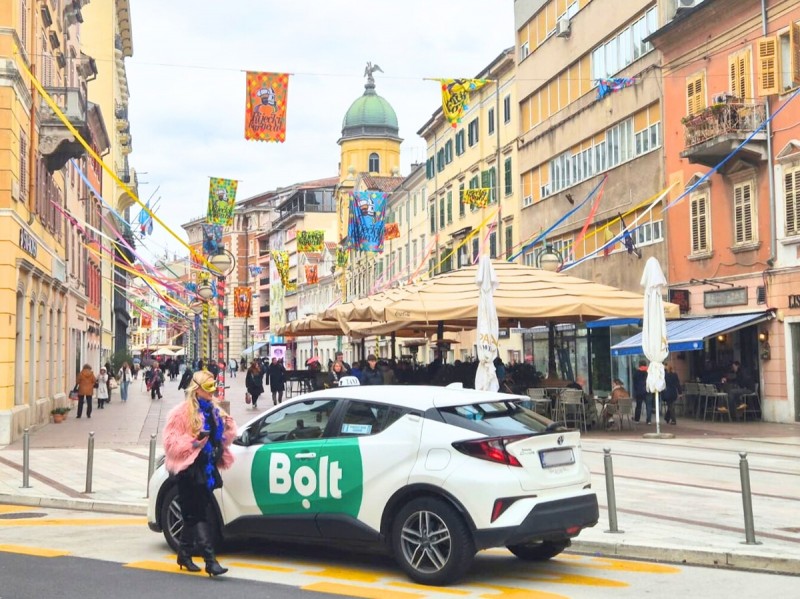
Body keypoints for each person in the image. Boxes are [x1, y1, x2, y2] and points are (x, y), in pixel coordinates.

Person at [162, 370, 237, 577]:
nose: (213, 391)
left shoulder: (214, 410)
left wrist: (227, 425)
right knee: (198, 513)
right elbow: (170, 443)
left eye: (214, 386)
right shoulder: (181, 413)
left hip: (207, 468)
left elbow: (225, 437)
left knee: (192, 514)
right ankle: (210, 561)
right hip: (189, 469)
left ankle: (184, 554)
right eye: (209, 387)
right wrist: (194, 443)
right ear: (197, 389)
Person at [633, 359, 653, 424]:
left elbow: (634, 383)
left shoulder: (636, 373)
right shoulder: (649, 372)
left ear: (639, 365)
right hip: (648, 390)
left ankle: (637, 419)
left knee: (638, 406)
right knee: (649, 406)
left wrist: (635, 391)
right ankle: (649, 420)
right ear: (645, 364)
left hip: (639, 391)